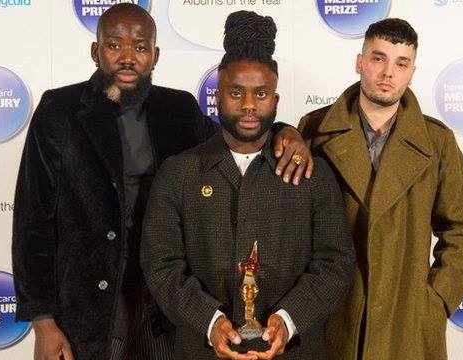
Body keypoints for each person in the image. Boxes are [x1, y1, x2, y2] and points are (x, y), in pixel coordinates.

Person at [11, 4, 312, 360]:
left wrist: (284, 130)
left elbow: (235, 139)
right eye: (115, 45)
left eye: (140, 48)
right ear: (96, 51)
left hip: (163, 305)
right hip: (86, 308)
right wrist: (43, 323)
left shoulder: (178, 109)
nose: (128, 58)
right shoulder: (58, 111)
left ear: (154, 56)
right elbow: (32, 222)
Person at [140, 11, 355, 360]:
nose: (250, 105)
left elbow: (335, 264)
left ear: (276, 100)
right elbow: (161, 264)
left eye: (261, 93)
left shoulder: (313, 176)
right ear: (217, 96)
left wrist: (288, 320)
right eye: (236, 93)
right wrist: (209, 321)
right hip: (200, 350)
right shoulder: (178, 173)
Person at [298, 18, 463, 360]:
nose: (388, 73)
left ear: (412, 71)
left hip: (406, 325)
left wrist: (435, 301)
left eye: (401, 63)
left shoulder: (437, 142)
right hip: (332, 318)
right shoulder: (314, 130)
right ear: (359, 62)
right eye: (378, 58)